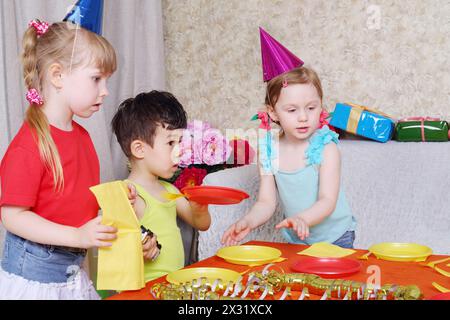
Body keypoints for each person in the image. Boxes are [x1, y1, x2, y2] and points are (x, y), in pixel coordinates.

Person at [0, 18, 130, 299]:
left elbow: (75, 203)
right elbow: (12, 217)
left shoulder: (82, 138)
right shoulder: (29, 146)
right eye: (97, 78)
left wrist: (116, 199)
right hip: (34, 282)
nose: (105, 90)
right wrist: (78, 237)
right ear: (57, 76)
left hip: (71, 273)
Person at [222, 29, 356, 249]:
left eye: (311, 107)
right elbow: (266, 202)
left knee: (335, 284)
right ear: (273, 113)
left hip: (336, 238)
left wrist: (304, 218)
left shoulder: (326, 147)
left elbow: (327, 200)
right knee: (300, 283)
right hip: (297, 239)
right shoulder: (269, 150)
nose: (303, 117)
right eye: (292, 110)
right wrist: (248, 221)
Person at [111, 90, 211, 282]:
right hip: (142, 292)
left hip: (172, 286)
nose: (179, 151)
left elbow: (202, 224)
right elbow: (116, 252)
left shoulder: (169, 190)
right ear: (139, 149)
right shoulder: (128, 194)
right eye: (171, 143)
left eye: (180, 142)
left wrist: (200, 208)